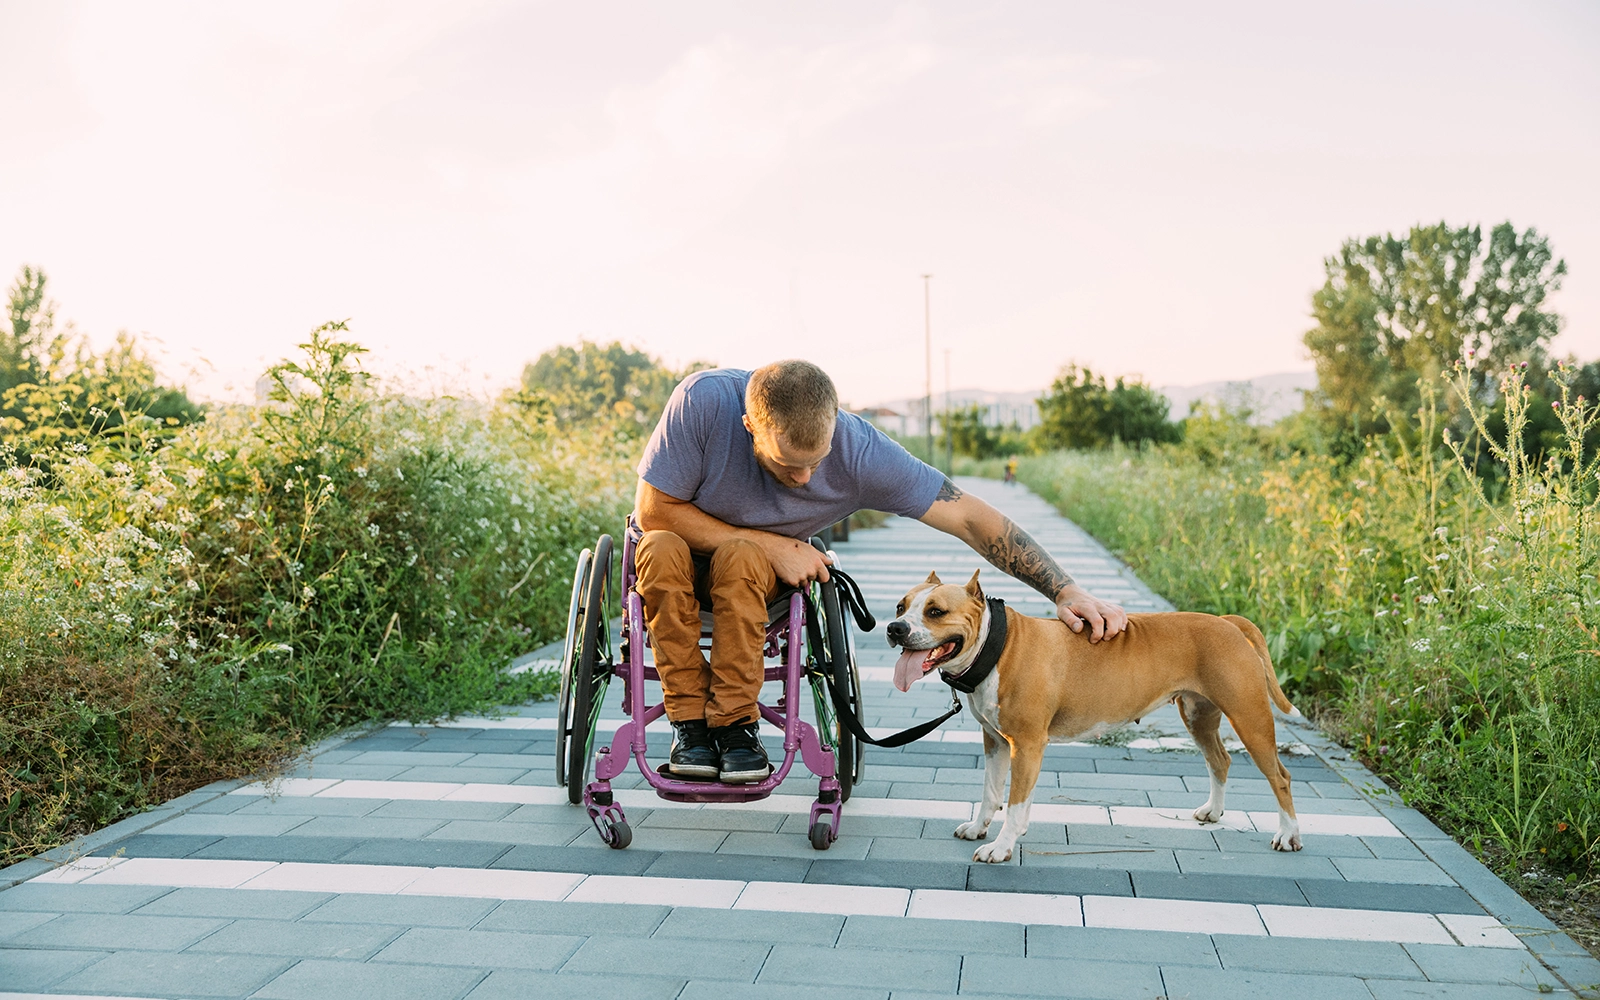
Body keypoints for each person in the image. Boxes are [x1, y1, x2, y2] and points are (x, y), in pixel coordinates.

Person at [633, 360, 1127, 783]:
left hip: (750, 579)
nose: (804, 479)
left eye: (816, 463)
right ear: (748, 426)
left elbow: (970, 518)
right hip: (669, 567)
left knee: (740, 558)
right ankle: (690, 726)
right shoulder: (702, 403)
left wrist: (1064, 589)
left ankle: (734, 724)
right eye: (787, 466)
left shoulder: (861, 452)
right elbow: (653, 510)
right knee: (660, 545)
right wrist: (774, 544)